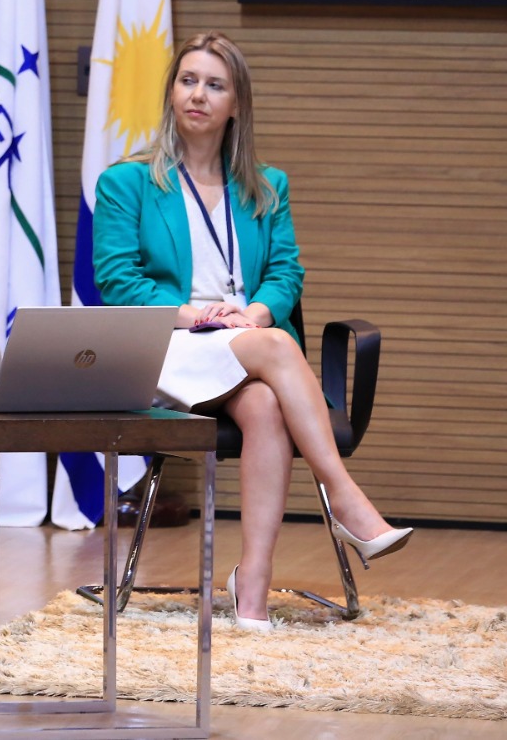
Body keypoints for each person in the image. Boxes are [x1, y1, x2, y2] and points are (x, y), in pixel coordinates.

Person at [92, 32, 411, 632]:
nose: (198, 95)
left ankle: (253, 585)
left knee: (265, 404)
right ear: (171, 92)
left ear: (236, 103)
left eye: (215, 85)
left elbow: (287, 272)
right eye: (188, 80)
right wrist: (198, 315)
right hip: (168, 345)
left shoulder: (265, 186)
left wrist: (257, 314)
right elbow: (116, 279)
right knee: (278, 346)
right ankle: (346, 499)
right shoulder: (126, 182)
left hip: (245, 345)